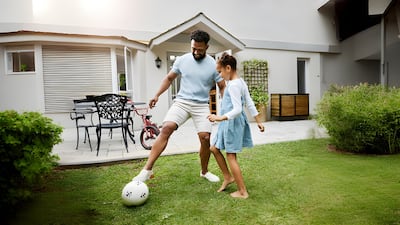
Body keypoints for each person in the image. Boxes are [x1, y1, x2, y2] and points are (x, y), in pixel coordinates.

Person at [133, 30, 226, 183]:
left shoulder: (213, 65)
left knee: (205, 138)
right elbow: (169, 78)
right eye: (193, 48)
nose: (196, 52)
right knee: (167, 128)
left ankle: (204, 171)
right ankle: (147, 170)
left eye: (199, 49)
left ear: (207, 47)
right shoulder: (182, 60)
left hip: (201, 105)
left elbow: (222, 86)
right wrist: (156, 95)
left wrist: (225, 107)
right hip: (182, 102)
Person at [207, 53, 265, 199]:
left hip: (231, 122)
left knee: (231, 156)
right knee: (214, 148)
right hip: (227, 122)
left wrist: (220, 117)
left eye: (220, 72)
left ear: (228, 68)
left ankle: (242, 191)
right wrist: (258, 121)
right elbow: (249, 102)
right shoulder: (240, 82)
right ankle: (228, 177)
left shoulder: (233, 85)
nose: (219, 76)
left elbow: (238, 109)